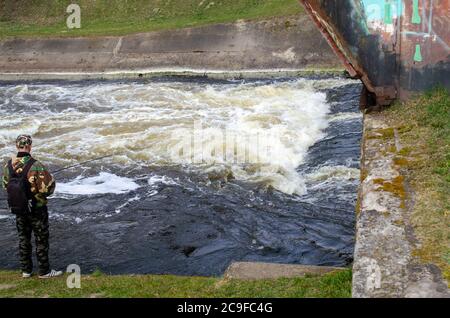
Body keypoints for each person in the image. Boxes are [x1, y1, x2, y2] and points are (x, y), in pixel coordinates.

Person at [2, 135, 62, 278]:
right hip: (37, 209)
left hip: (19, 209)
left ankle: (26, 271)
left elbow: (6, 186)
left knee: (23, 239)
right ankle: (44, 271)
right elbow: (48, 189)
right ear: (29, 146)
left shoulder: (8, 165)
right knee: (41, 240)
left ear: (17, 146)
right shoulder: (36, 165)